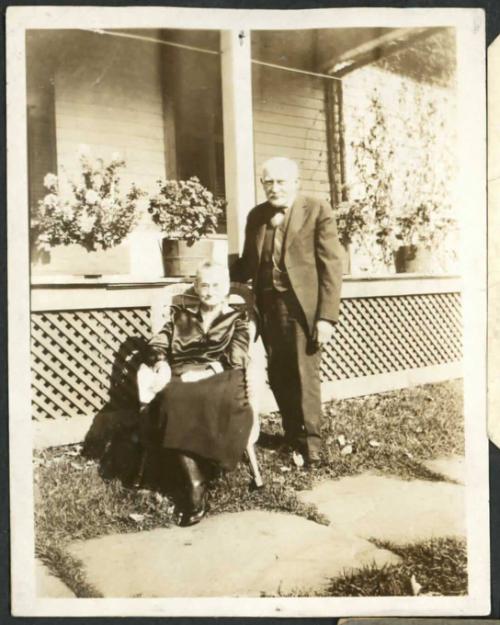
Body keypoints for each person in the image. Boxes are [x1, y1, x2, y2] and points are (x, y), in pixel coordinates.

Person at [230, 157, 343, 467]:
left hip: (301, 307)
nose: (274, 188)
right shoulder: (257, 216)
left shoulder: (316, 209)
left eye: (280, 182)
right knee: (279, 375)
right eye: (268, 182)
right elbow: (247, 263)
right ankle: (292, 436)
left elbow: (332, 266)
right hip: (267, 306)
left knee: (304, 376)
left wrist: (326, 317)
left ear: (296, 182)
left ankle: (312, 447)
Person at [139, 260, 253, 527]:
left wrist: (206, 372)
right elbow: (158, 342)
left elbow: (237, 356)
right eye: (204, 285)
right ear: (196, 288)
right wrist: (161, 364)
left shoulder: (237, 320)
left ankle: (201, 472)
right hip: (182, 373)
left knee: (210, 398)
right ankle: (196, 481)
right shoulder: (181, 317)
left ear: (225, 289)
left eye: (216, 285)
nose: (210, 291)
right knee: (172, 397)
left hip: (222, 375)